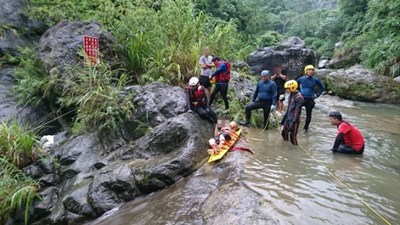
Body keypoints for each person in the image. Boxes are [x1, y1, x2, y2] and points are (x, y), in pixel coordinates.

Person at [296, 65, 325, 132]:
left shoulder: (315, 80)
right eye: (309, 70)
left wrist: (317, 95)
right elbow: (295, 86)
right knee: (297, 112)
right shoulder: (301, 79)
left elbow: (322, 87)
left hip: (310, 99)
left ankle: (306, 128)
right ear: (306, 71)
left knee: (309, 114)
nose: (311, 71)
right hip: (301, 98)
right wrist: (298, 93)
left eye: (312, 70)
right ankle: (296, 125)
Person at [281, 80, 304, 145]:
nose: (286, 91)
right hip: (288, 117)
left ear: (292, 87)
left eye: (287, 89)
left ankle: (295, 149)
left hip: (294, 119)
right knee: (284, 133)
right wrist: (284, 119)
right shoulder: (291, 95)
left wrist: (293, 122)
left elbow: (297, 111)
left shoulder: (299, 97)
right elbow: (289, 108)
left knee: (293, 136)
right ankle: (285, 146)